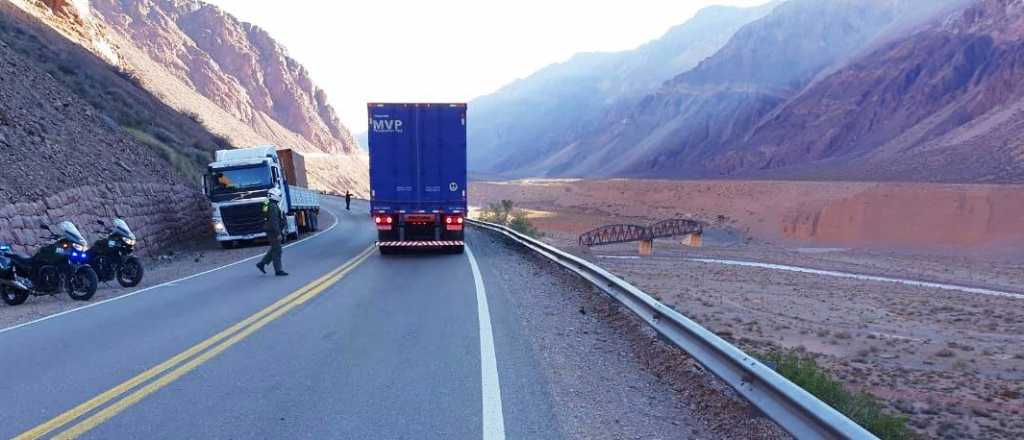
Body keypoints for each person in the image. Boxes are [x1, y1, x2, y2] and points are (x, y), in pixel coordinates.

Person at [256, 188, 288, 276]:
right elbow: (274, 221)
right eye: (279, 196)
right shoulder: (272, 206)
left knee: (275, 248)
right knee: (277, 250)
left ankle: (262, 263)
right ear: (275, 196)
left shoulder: (271, 204)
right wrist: (278, 233)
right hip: (273, 231)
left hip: (271, 230)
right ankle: (278, 270)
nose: (280, 197)